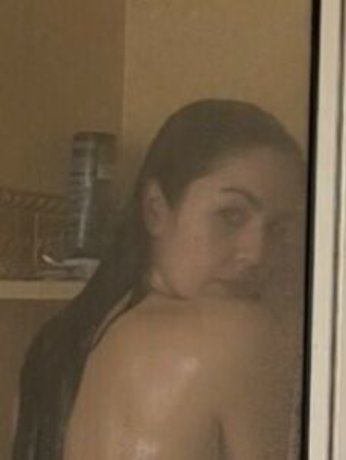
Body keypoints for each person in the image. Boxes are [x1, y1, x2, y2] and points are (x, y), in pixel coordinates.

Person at [12, 99, 306, 459]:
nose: (257, 252)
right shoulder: (238, 334)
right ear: (155, 209)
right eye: (231, 215)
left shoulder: (57, 349)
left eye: (278, 228)